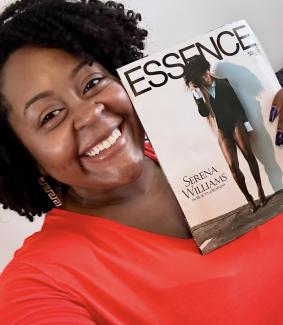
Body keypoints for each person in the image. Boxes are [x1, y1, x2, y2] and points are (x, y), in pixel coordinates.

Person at [0, 1, 283, 324]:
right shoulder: (39, 284)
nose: (90, 113)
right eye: (50, 116)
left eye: (92, 83)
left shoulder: (217, 144)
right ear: (22, 154)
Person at [184, 55, 266, 212]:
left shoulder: (224, 83)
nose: (203, 78)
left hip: (236, 123)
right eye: (198, 76)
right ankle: (248, 198)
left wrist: (247, 126)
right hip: (222, 130)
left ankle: (260, 188)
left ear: (206, 69)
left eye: (203, 73)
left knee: (249, 156)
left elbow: (237, 105)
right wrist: (197, 95)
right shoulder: (200, 92)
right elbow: (203, 113)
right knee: (232, 166)